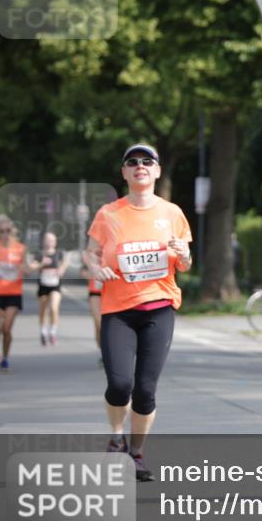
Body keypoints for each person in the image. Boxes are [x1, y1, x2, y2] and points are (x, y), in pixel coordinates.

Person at [85, 143, 192, 481]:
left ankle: (137, 452)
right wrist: (96, 269)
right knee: (119, 384)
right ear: (125, 173)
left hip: (159, 308)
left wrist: (183, 254)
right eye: (132, 162)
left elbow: (186, 264)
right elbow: (90, 253)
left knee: (145, 391)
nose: (140, 166)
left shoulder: (172, 213)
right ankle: (116, 439)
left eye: (147, 161)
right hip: (118, 309)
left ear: (157, 171)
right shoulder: (109, 214)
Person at [0, 215, 33, 371]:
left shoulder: (20, 248)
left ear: (13, 231)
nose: (5, 234)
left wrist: (27, 270)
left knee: (7, 329)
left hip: (13, 293)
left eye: (8, 230)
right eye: (1, 231)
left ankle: (5, 359)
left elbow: (26, 267)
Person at [34, 231, 64, 346]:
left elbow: (64, 263)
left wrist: (61, 269)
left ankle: (52, 332)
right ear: (44, 241)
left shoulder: (59, 253)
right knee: (43, 310)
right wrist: (41, 264)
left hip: (55, 285)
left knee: (54, 308)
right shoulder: (39, 254)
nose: (50, 242)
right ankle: (43, 331)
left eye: (52, 240)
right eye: (48, 240)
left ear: (55, 242)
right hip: (43, 285)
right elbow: (32, 266)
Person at [81, 264, 105, 366]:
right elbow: (83, 271)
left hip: (113, 292)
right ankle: (104, 353)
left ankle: (112, 353)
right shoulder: (92, 252)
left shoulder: (114, 249)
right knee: (99, 324)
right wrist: (93, 273)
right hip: (95, 292)